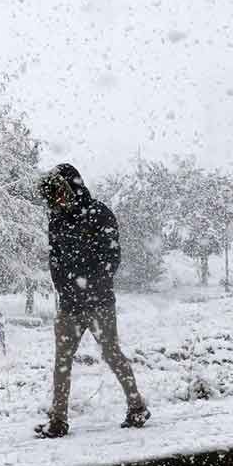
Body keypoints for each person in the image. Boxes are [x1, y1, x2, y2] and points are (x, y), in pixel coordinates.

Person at [33, 163, 149, 438]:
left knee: (111, 354)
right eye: (53, 197)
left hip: (99, 303)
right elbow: (55, 260)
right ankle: (58, 421)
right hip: (69, 305)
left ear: (72, 187)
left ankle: (137, 406)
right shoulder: (56, 220)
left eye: (60, 194)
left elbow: (111, 258)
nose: (57, 202)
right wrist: (65, 289)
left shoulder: (99, 214)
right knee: (62, 361)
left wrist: (92, 287)